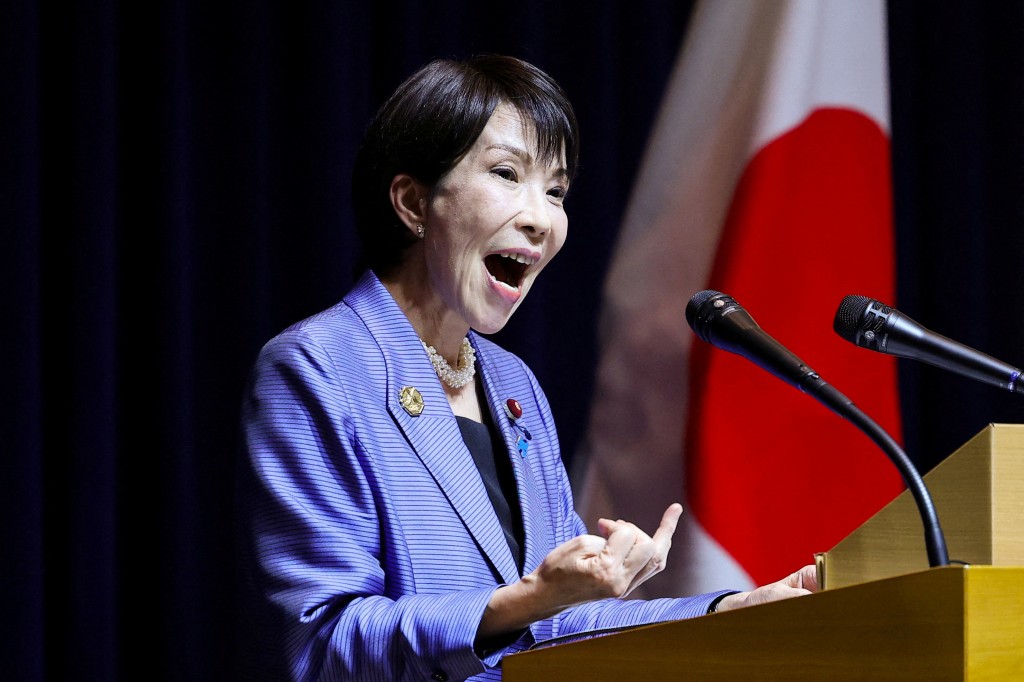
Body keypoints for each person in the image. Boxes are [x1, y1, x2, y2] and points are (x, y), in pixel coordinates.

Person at [237, 54, 817, 682]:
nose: (541, 218)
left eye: (557, 190)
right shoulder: (317, 368)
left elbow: (558, 630)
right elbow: (323, 645)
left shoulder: (513, 386)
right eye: (508, 173)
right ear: (412, 202)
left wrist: (737, 611)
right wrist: (534, 598)